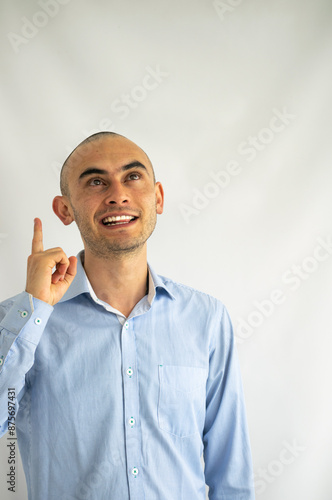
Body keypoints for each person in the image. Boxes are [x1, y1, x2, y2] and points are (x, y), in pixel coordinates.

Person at [0, 132, 255, 500]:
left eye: (132, 177)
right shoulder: (20, 321)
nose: (117, 194)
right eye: (96, 181)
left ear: (158, 198)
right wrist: (33, 310)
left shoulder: (206, 318)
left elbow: (230, 471)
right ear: (65, 209)